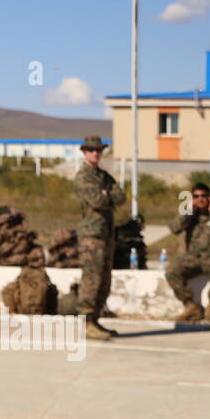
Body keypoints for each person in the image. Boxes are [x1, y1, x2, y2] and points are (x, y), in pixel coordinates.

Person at [73, 134, 125, 341]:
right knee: (92, 279)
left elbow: (121, 196)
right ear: (85, 152)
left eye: (98, 150)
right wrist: (105, 195)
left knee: (104, 279)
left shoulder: (104, 177)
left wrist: (107, 194)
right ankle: (86, 321)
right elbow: (96, 200)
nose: (96, 153)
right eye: (91, 150)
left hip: (105, 234)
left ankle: (95, 319)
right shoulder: (83, 177)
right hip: (91, 235)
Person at [165, 182, 210, 325]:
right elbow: (174, 228)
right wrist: (188, 210)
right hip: (193, 257)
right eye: (196, 196)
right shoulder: (188, 214)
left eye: (204, 196)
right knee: (172, 271)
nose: (200, 199)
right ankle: (191, 307)